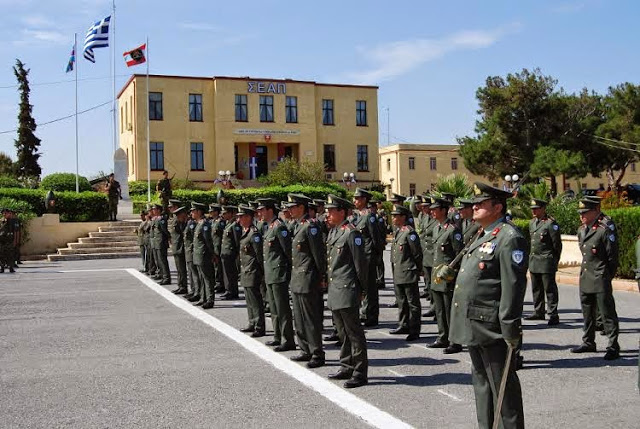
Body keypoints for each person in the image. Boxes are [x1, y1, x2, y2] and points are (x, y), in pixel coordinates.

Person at [447, 182, 527, 429]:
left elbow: (513, 288)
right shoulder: (481, 234)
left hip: (493, 327)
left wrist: (510, 328)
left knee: (504, 392)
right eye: (475, 203)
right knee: (482, 386)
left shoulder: (509, 238)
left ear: (498, 207)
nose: (475, 206)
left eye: (482, 203)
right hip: (475, 323)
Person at [325, 194, 369, 388]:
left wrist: (363, 290)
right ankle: (346, 365)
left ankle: (359, 372)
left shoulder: (351, 233)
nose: (328, 214)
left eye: (332, 210)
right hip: (336, 289)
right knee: (342, 332)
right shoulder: (334, 232)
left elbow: (361, 265)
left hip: (348, 288)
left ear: (342, 212)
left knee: (354, 333)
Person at [570, 198, 620, 360]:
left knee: (607, 313)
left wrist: (606, 276)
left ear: (595, 211)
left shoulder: (604, 229)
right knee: (587, 313)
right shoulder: (582, 230)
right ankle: (588, 342)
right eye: (580, 213)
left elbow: (612, 258)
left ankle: (613, 345)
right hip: (586, 276)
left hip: (600, 277)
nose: (581, 216)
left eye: (585, 212)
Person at [286, 194, 326, 367]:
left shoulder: (311, 227)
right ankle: (305, 349)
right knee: (299, 318)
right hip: (297, 278)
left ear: (301, 208)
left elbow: (318, 255)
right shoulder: (298, 226)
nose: (289, 210)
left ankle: (317, 352)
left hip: (308, 278)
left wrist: (322, 277)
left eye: (293, 207)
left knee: (310, 319)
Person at [257, 198, 296, 352]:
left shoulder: (280, 227)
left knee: (282, 308)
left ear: (270, 210)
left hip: (279, 273)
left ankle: (288, 339)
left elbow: (287, 251)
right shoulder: (269, 227)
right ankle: (278, 336)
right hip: (270, 273)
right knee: (273, 307)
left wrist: (288, 272)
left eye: (262, 210)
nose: (259, 213)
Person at [429, 196, 463, 353]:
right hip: (437, 275)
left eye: (435, 209)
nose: (432, 212)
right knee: (440, 309)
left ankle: (454, 341)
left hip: (448, 276)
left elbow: (459, 254)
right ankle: (442, 336)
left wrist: (453, 275)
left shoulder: (453, 230)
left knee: (450, 309)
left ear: (443, 210)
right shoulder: (437, 228)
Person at [389, 204, 422, 341]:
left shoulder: (410, 233)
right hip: (399, 272)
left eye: (396, 216)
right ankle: (404, 324)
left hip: (408, 272)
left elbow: (417, 254)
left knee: (412, 302)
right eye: (393, 216)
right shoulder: (398, 231)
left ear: (403, 217)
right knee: (402, 301)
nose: (393, 218)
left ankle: (414, 329)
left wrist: (417, 270)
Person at [526, 199, 562, 325]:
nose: (533, 211)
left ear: (543, 209)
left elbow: (557, 245)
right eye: (532, 208)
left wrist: (554, 260)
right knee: (536, 288)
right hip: (534, 260)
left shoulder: (550, 224)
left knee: (549, 289)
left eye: (536, 208)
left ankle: (553, 314)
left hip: (546, 260)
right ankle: (538, 311)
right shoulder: (532, 223)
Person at [351, 188, 381, 327]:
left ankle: (372, 315)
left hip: (368, 256)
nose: (354, 201)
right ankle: (365, 312)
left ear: (364, 200)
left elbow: (375, 238)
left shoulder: (370, 216)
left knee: (370, 287)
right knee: (363, 286)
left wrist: (375, 256)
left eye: (357, 198)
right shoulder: (359, 216)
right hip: (361, 256)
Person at [236, 205, 266, 336]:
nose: (239, 220)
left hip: (253, 270)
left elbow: (259, 254)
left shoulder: (254, 234)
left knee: (255, 299)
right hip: (246, 270)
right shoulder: (246, 231)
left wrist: (261, 271)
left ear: (249, 217)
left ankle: (259, 326)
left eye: (241, 217)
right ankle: (252, 322)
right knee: (249, 298)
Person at [191, 202, 216, 309]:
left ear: (199, 212)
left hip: (204, 255)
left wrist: (213, 254)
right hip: (198, 255)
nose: (191, 213)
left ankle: (210, 299)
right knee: (202, 277)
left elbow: (208, 241)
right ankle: (203, 298)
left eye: (193, 211)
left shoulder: (205, 225)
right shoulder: (199, 223)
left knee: (207, 278)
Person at [220, 206, 241, 300]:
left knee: (231, 273)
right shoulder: (228, 224)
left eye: (225, 213)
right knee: (227, 273)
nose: (223, 215)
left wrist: (237, 254)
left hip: (231, 252)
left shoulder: (235, 225)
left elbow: (237, 241)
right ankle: (228, 290)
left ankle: (232, 291)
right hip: (226, 252)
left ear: (231, 213)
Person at [168, 200, 188, 295]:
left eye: (171, 207)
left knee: (181, 268)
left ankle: (183, 286)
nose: (170, 209)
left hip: (180, 247)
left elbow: (182, 234)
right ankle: (180, 285)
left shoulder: (180, 220)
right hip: (176, 247)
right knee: (179, 269)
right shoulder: (175, 219)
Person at [150, 204, 171, 285]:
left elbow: (164, 230)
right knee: (158, 260)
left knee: (163, 261)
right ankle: (162, 276)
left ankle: (166, 277)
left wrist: (169, 237)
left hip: (161, 242)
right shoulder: (155, 219)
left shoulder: (161, 219)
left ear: (159, 210)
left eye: (154, 209)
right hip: (156, 242)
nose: (153, 210)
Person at [0, 208, 15, 273]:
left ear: (9, 213)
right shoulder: (0, 221)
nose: (5, 214)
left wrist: (15, 241)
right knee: (1, 255)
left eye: (6, 213)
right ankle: (2, 267)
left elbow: (15, 231)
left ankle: (11, 267)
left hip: (9, 241)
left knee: (10, 254)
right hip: (2, 240)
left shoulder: (12, 221)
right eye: (3, 213)